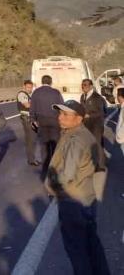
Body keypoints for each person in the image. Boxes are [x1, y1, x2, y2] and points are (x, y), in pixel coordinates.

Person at [45, 100, 110, 275]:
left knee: (76, 249)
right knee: (91, 243)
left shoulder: (74, 139)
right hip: (86, 197)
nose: (60, 117)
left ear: (79, 118)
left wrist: (52, 189)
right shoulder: (83, 135)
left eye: (66, 115)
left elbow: (66, 175)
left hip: (73, 201)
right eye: (60, 113)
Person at [30, 75, 64, 171]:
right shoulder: (56, 92)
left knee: (44, 144)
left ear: (42, 81)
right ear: (51, 82)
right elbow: (61, 106)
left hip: (42, 121)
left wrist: (33, 120)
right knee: (55, 143)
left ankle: (45, 167)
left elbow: (32, 108)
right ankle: (55, 166)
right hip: (54, 121)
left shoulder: (36, 93)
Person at [80, 78, 107, 167]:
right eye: (82, 85)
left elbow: (101, 112)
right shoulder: (82, 96)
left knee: (97, 144)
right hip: (86, 124)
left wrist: (89, 115)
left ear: (91, 86)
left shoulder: (97, 97)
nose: (83, 86)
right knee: (88, 144)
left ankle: (101, 165)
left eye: (86, 85)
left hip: (96, 125)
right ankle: (91, 162)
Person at [17, 79, 39, 166]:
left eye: (31, 87)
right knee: (31, 139)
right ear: (24, 86)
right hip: (27, 118)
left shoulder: (30, 95)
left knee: (32, 139)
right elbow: (27, 105)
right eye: (28, 87)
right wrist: (36, 103)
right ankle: (31, 160)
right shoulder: (22, 94)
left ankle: (32, 158)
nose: (30, 89)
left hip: (30, 118)